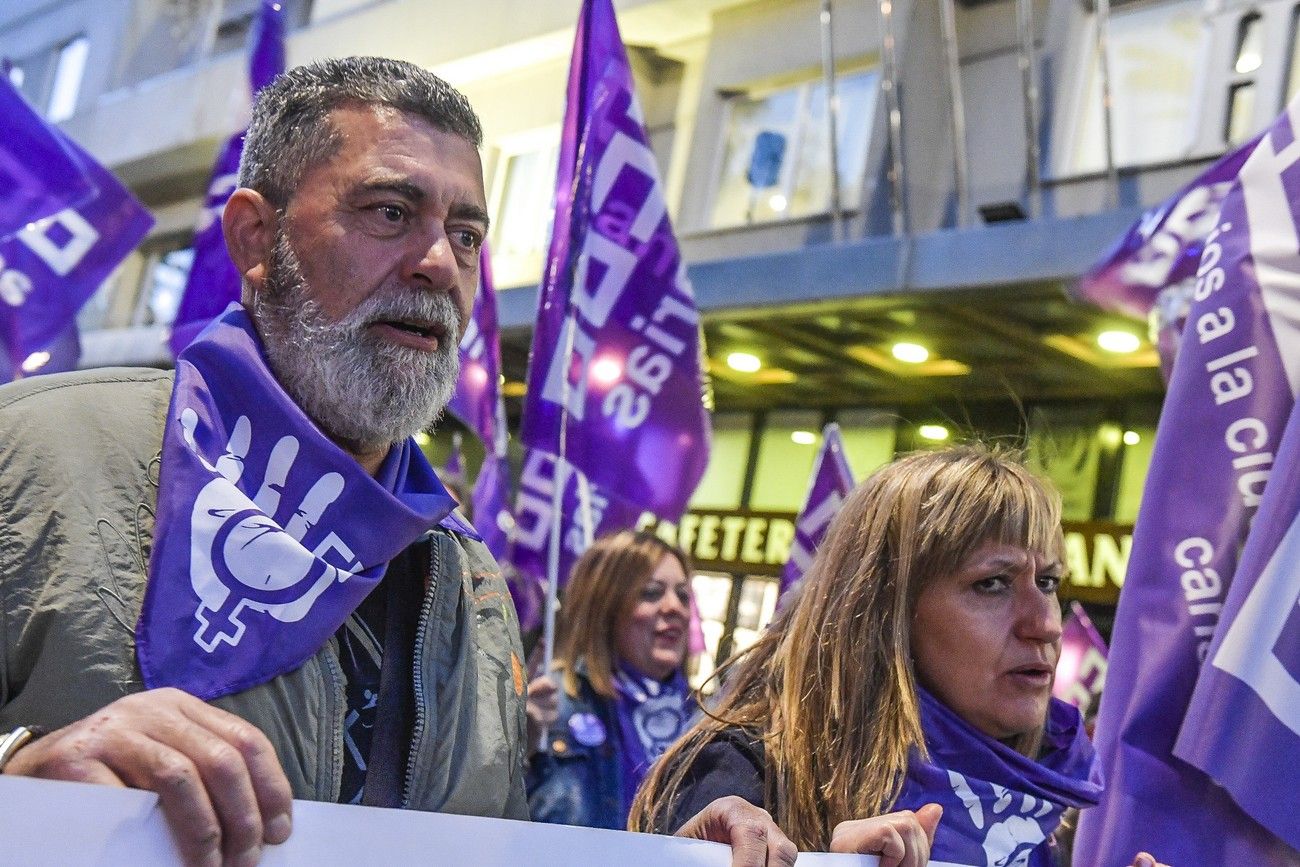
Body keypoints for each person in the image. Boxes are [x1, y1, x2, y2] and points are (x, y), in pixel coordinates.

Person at [0, 56, 808, 867]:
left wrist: (668, 857)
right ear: (256, 236)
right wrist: (16, 774)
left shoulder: (469, 581)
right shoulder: (32, 457)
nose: (438, 265)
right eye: (390, 212)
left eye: (465, 235)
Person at [632, 446, 1164, 867]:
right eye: (993, 584)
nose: (1045, 624)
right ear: (888, 613)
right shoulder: (745, 775)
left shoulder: (1044, 805)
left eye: (1047, 581)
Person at [526, 531, 696, 829]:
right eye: (652, 592)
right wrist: (514, 744)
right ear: (605, 606)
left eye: (683, 595)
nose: (675, 607)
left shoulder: (706, 717)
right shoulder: (552, 703)